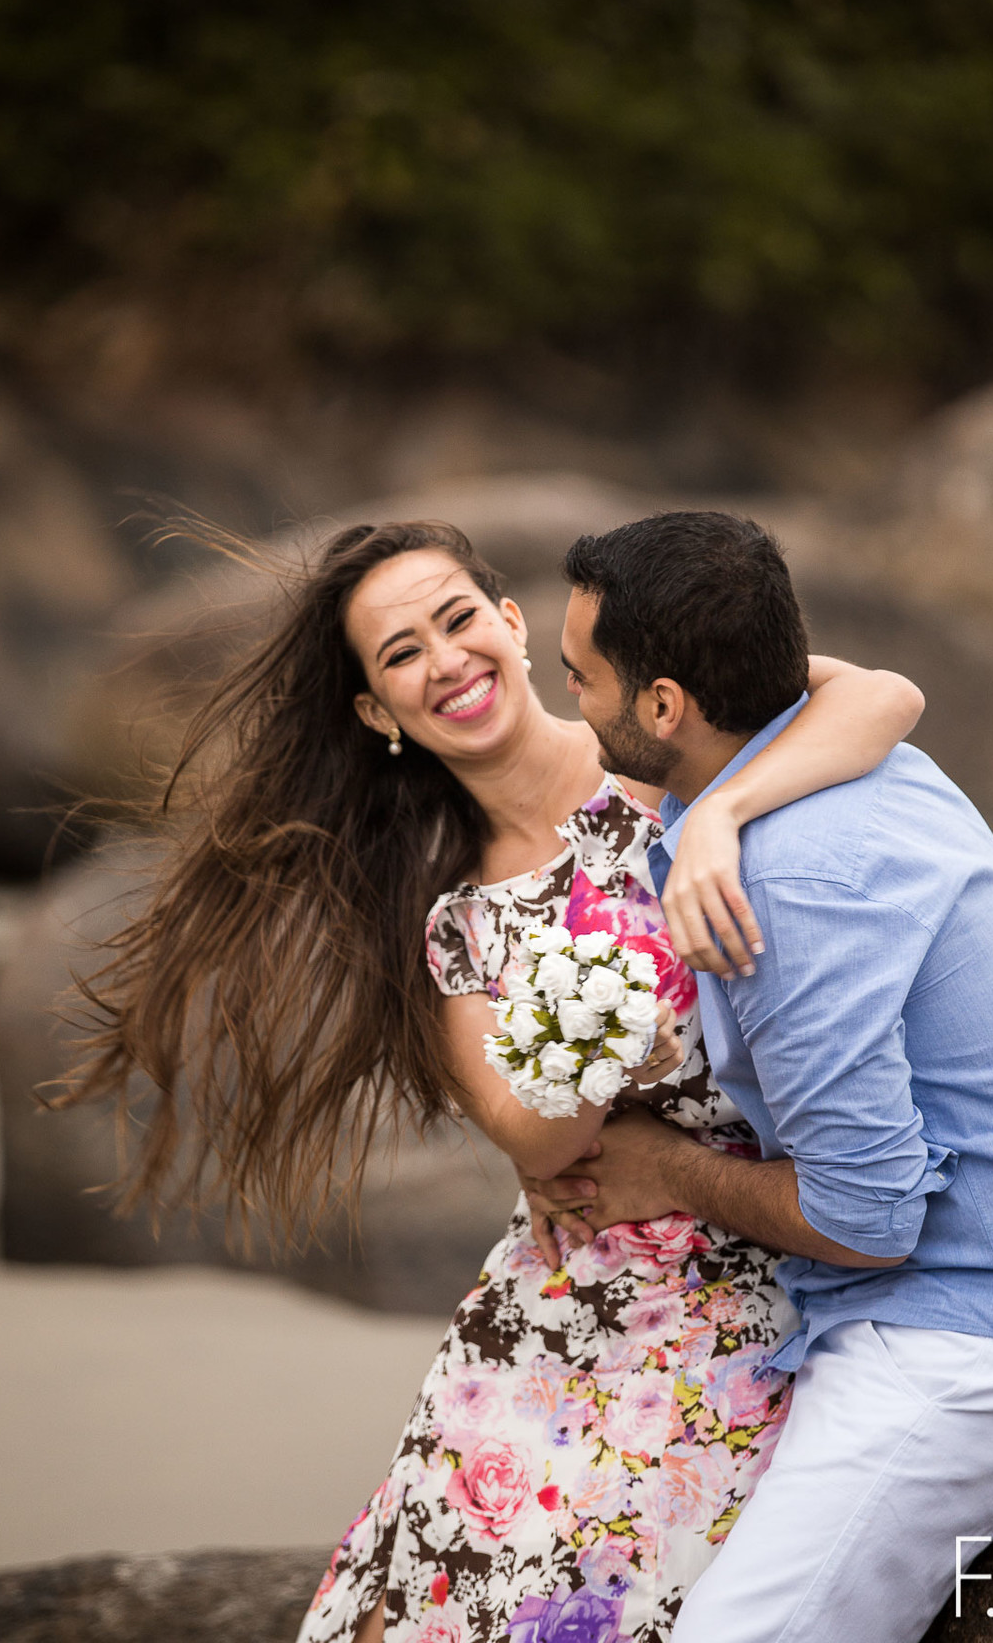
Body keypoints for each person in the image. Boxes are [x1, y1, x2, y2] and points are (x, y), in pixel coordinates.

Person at [57, 517, 923, 1643]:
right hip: (563, 1283)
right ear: (379, 712)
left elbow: (885, 697)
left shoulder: (663, 752)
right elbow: (536, 1142)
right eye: (401, 653)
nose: (446, 660)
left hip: (747, 1262)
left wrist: (723, 821)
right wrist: (610, 1035)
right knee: (409, 1602)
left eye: (459, 619)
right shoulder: (453, 916)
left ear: (513, 625)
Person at [526, 509, 993, 1643]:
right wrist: (719, 814)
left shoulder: (786, 883)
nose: (568, 700)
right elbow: (871, 686)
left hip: (971, 1338)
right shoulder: (837, 749)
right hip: (905, 1307)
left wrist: (664, 1167)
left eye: (580, 681)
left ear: (665, 706)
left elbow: (870, 1220)